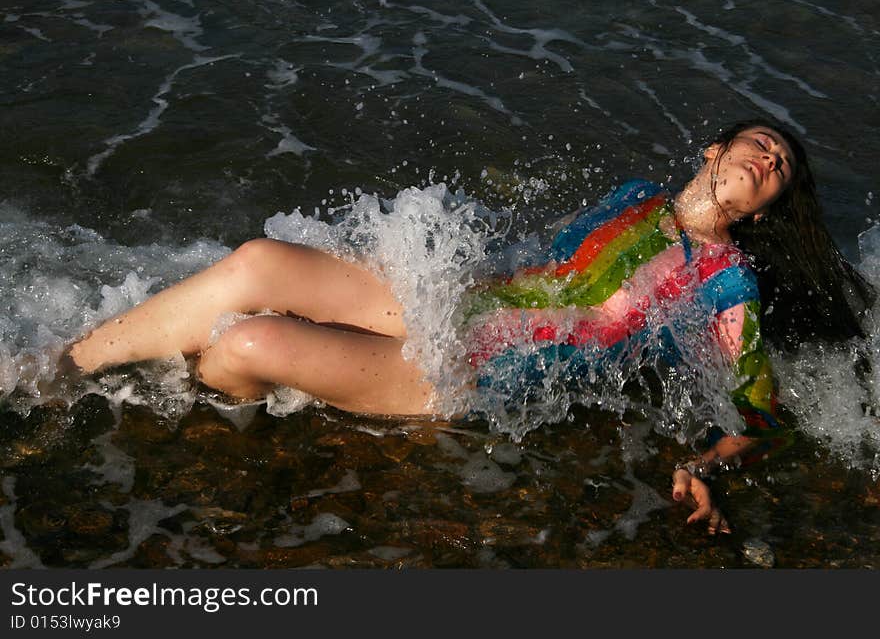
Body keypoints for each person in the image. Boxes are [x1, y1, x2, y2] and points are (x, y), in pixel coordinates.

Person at [63, 119, 873, 534]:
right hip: (453, 304)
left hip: (470, 372)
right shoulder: (633, 197)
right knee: (258, 261)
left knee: (246, 341)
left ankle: (218, 429)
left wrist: (705, 461)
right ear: (716, 146)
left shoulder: (728, 285)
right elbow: (545, 270)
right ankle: (63, 365)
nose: (771, 160)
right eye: (764, 143)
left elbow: (763, 417)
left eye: (782, 170)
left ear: (769, 206)